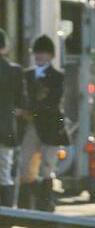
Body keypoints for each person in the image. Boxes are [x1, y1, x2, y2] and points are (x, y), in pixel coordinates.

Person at [19, 35, 68, 211]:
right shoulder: (26, 75)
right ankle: (26, 204)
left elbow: (53, 101)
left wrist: (31, 112)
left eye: (43, 53)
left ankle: (46, 204)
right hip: (31, 126)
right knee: (26, 166)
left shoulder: (58, 76)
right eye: (37, 53)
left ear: (50, 56)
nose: (39, 56)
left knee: (47, 166)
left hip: (50, 126)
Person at [0, 28, 24, 208]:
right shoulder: (14, 71)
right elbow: (22, 101)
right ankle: (6, 224)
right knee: (4, 174)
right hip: (5, 130)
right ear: (5, 48)